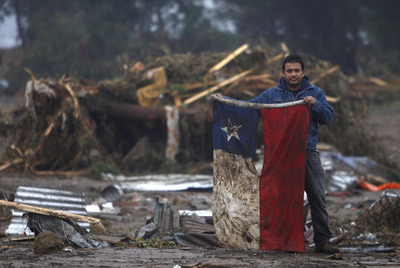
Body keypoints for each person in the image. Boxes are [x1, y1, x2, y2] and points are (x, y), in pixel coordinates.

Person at [212, 54, 338, 254]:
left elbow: (327, 117)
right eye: (289, 71)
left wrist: (315, 104)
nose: (293, 74)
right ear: (283, 73)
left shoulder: (315, 92)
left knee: (317, 197)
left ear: (303, 73)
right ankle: (281, 240)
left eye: (297, 70)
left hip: (307, 152)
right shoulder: (271, 94)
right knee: (278, 198)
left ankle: (323, 241)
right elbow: (249, 109)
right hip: (280, 156)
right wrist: (223, 101)